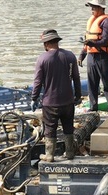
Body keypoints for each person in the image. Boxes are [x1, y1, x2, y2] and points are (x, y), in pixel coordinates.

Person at [31, 29, 82, 162]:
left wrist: (34, 98)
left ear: (46, 44)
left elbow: (38, 81)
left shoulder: (42, 58)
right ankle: (70, 152)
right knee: (68, 126)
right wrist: (78, 96)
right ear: (57, 42)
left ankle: (49, 155)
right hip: (68, 101)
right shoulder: (70, 56)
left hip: (50, 102)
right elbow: (76, 78)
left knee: (50, 128)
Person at [79, 0, 108, 113]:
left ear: (101, 8)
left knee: (107, 83)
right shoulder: (92, 21)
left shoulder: (106, 21)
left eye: (94, 7)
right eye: (91, 7)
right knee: (92, 84)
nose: (91, 10)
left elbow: (105, 40)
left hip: (103, 57)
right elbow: (87, 41)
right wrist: (82, 55)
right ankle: (93, 107)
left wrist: (92, 43)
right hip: (91, 57)